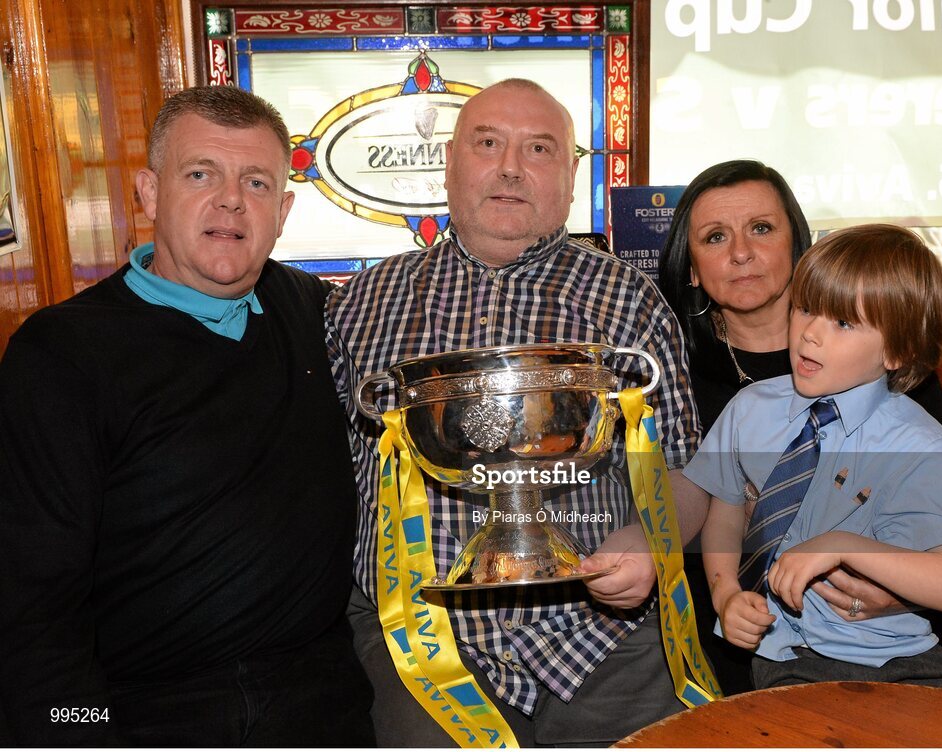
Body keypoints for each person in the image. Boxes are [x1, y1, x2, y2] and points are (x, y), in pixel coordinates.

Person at [325, 78, 711, 746]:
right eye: (487, 143)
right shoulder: (359, 304)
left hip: (601, 637)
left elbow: (688, 470)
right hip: (421, 645)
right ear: (449, 165)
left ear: (570, 179)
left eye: (538, 148)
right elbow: (324, 477)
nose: (510, 167)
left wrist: (652, 539)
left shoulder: (633, 300)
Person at [0, 86, 374, 747]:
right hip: (146, 714)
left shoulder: (317, 314)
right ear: (149, 194)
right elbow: (31, 601)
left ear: (283, 212)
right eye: (201, 174)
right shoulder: (63, 353)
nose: (231, 200)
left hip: (322, 700)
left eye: (256, 182)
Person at [657, 159, 942, 694]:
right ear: (691, 267)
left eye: (840, 322)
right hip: (775, 654)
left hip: (890, 664)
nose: (811, 334)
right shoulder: (743, 402)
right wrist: (724, 591)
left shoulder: (914, 437)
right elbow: (724, 506)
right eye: (806, 310)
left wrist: (849, 549)